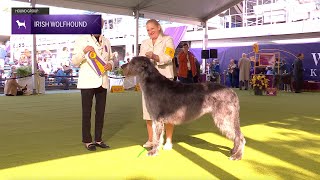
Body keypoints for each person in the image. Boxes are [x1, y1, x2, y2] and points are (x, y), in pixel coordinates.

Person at [71, 20, 114, 151]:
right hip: (87, 82)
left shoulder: (106, 41)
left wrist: (111, 64)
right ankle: (87, 140)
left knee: (100, 112)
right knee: (87, 112)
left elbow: (111, 58)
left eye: (100, 24)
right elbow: (74, 62)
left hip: (103, 81)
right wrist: (84, 52)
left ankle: (99, 139)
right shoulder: (81, 39)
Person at [139, 19, 175, 150]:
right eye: (148, 30)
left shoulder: (168, 39)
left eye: (152, 29)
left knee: (168, 111)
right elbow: (140, 60)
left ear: (159, 27)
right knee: (148, 110)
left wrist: (155, 57)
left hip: (165, 80)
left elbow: (169, 56)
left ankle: (169, 140)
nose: (150, 32)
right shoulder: (144, 43)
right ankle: (151, 139)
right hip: (149, 82)